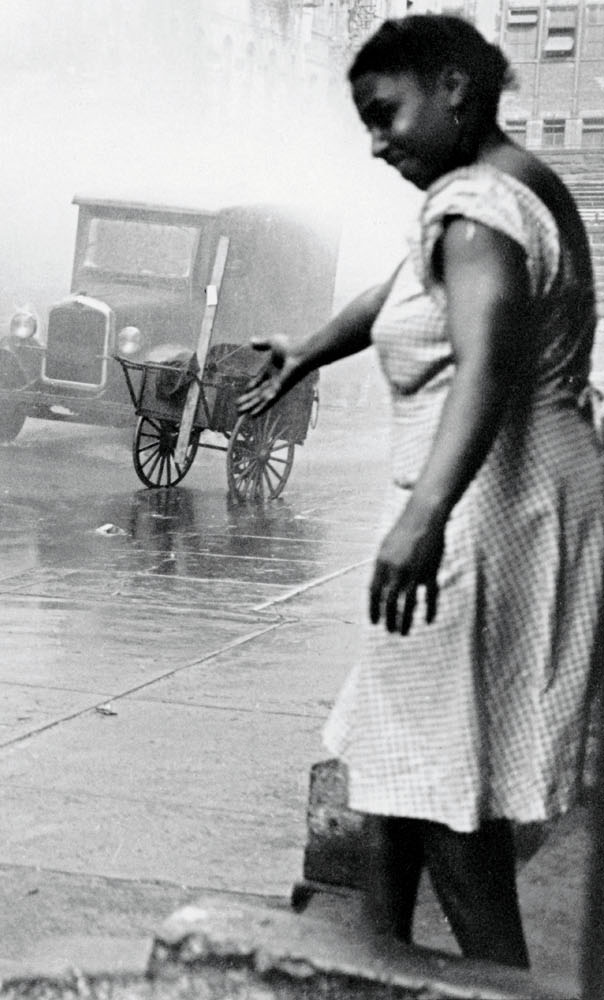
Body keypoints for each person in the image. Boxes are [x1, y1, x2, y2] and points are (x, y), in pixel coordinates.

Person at [239, 15, 604, 969]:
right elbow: (402, 290)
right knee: (392, 753)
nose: (374, 141)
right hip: (513, 492)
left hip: (486, 501)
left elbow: (484, 362)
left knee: (440, 778)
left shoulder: (478, 213)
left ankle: (493, 983)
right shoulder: (492, 191)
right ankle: (379, 958)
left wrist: (423, 515)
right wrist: (311, 345)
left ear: (453, 87)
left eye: (386, 113)